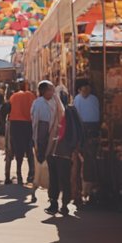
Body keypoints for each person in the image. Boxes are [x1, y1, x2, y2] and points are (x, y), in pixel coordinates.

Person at [46, 83, 84, 215]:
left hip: (54, 150)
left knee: (54, 178)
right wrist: (75, 148)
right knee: (65, 178)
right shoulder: (72, 110)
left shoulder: (52, 109)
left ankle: (54, 203)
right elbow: (79, 130)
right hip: (66, 151)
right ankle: (64, 204)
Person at [74, 79, 101, 204]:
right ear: (79, 90)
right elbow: (76, 118)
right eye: (83, 88)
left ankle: (89, 189)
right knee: (82, 161)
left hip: (93, 130)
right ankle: (81, 191)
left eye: (87, 87)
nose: (85, 90)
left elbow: (97, 116)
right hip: (82, 130)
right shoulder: (77, 99)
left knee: (91, 160)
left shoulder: (94, 99)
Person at [7, 80, 35, 187]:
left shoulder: (13, 96)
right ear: (26, 86)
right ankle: (31, 174)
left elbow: (9, 109)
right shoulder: (31, 96)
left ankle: (19, 174)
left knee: (19, 151)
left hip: (16, 124)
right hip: (28, 124)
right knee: (29, 150)